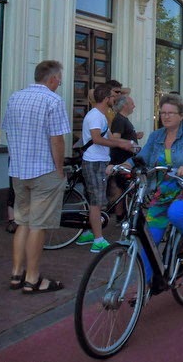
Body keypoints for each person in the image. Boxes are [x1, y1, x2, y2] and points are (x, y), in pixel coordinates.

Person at [112, 93, 183, 275]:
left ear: (181, 115)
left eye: (171, 113)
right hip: (165, 189)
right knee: (150, 240)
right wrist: (123, 165)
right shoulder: (156, 136)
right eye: (163, 113)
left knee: (177, 212)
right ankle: (147, 284)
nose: (166, 116)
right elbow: (143, 157)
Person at [2, 60, 70, 293]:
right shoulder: (53, 101)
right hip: (44, 170)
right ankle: (32, 278)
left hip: (18, 171)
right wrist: (59, 169)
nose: (59, 83)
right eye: (59, 79)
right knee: (38, 226)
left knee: (22, 221)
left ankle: (16, 273)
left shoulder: (14, 98)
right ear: (52, 79)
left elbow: (9, 132)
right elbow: (57, 140)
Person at [76, 83, 134, 252]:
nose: (115, 99)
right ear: (106, 98)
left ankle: (88, 232)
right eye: (113, 97)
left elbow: (109, 137)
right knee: (96, 203)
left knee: (95, 199)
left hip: (99, 161)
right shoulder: (95, 116)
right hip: (94, 162)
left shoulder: (101, 115)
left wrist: (127, 143)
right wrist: (121, 144)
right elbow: (97, 139)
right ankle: (98, 240)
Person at [109, 94, 143, 223]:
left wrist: (134, 136)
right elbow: (115, 139)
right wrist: (130, 145)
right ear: (125, 105)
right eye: (132, 103)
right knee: (120, 189)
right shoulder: (119, 120)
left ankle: (123, 215)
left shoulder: (123, 120)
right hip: (122, 159)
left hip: (127, 159)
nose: (134, 106)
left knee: (124, 188)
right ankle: (120, 216)